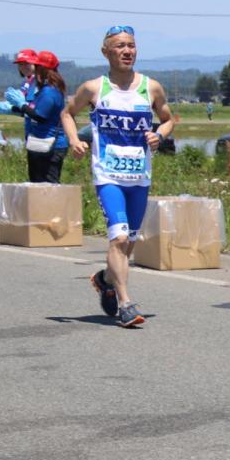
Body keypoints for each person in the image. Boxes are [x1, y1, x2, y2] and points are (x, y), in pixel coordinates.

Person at [62, 26, 175, 328]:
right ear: (106, 52)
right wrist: (74, 140)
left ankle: (104, 280)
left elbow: (168, 119)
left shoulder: (151, 87)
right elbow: (67, 113)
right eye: (120, 46)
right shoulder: (94, 88)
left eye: (131, 46)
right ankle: (126, 304)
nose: (127, 51)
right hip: (107, 176)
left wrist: (160, 135)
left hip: (139, 177)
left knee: (129, 246)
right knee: (119, 238)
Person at [0, 52, 68, 182]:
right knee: (37, 182)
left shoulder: (49, 92)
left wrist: (21, 105)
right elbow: (35, 111)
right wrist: (14, 109)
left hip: (50, 144)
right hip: (40, 142)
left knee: (48, 184)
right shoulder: (46, 89)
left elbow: (40, 116)